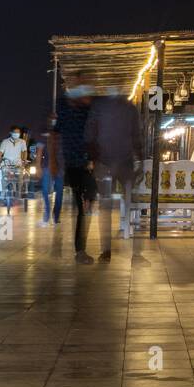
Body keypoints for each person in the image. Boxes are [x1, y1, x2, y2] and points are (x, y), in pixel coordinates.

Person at [85, 87, 147, 265]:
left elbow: (89, 135)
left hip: (105, 164)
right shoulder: (130, 108)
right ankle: (136, 254)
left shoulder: (99, 107)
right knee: (132, 205)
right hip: (124, 163)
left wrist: (92, 159)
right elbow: (137, 136)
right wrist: (140, 160)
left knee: (105, 207)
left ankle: (106, 251)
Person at [57, 74, 97, 263]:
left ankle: (80, 248)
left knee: (86, 202)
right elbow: (55, 133)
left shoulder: (87, 109)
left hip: (86, 164)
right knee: (81, 206)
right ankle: (80, 250)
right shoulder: (63, 106)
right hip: (73, 164)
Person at [35, 113, 64, 227]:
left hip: (61, 167)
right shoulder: (45, 135)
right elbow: (39, 151)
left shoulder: (62, 135)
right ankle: (46, 218)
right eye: (52, 119)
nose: (53, 121)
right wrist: (38, 166)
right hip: (47, 166)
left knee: (59, 193)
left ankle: (56, 217)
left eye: (55, 119)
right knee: (45, 191)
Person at [0, 125, 29, 201]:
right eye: (15, 132)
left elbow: (25, 151)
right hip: (6, 163)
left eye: (18, 132)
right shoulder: (5, 142)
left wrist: (25, 160)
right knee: (4, 177)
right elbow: (0, 153)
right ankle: (3, 191)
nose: (16, 134)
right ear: (11, 133)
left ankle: (18, 193)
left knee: (20, 177)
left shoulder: (22, 142)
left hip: (17, 163)